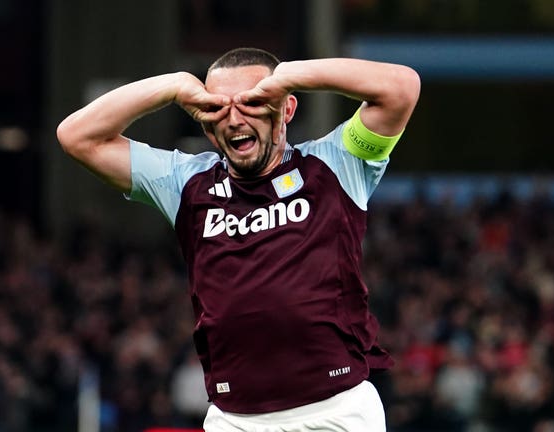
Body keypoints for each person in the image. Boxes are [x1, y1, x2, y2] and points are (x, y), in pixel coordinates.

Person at [57, 47, 420, 432]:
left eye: (252, 103)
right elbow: (78, 137)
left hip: (337, 412)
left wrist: (291, 75)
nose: (233, 120)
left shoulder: (337, 164)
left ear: (287, 109)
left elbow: (401, 87)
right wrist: (173, 86)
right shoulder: (185, 183)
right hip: (234, 420)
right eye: (217, 108)